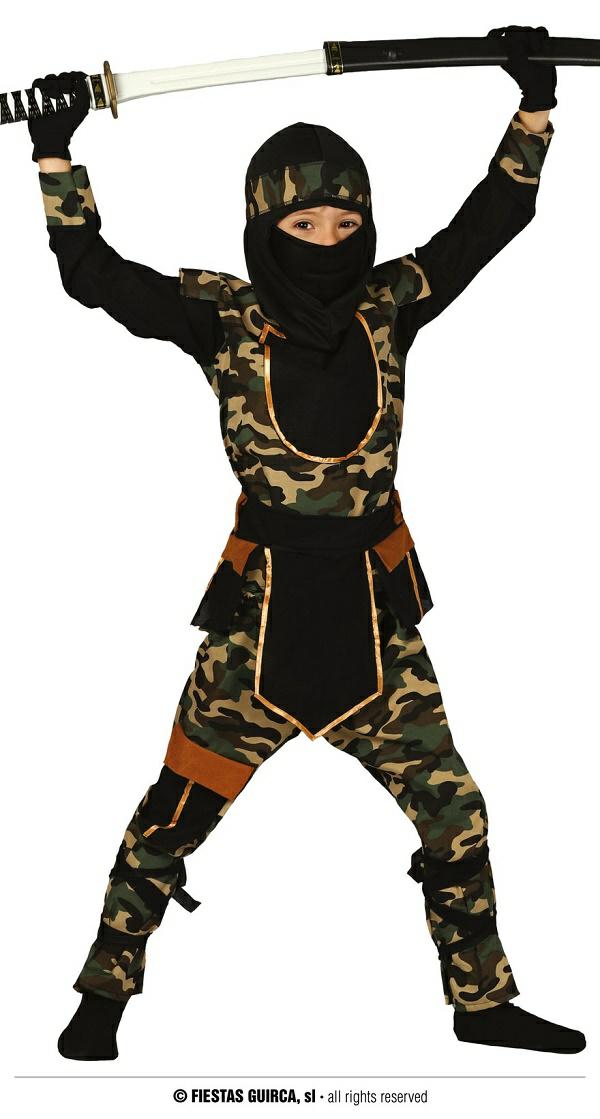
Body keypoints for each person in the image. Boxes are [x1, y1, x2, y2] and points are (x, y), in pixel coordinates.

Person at [28, 25, 586, 1061]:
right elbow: (95, 275)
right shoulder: (223, 317)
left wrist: (534, 110)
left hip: (377, 619)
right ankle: (102, 997)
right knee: (171, 814)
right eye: (303, 221)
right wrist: (57, 157)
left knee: (456, 814)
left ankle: (481, 1005)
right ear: (263, 225)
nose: (328, 239)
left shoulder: (392, 306)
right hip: (257, 626)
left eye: (346, 221)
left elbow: (492, 220)